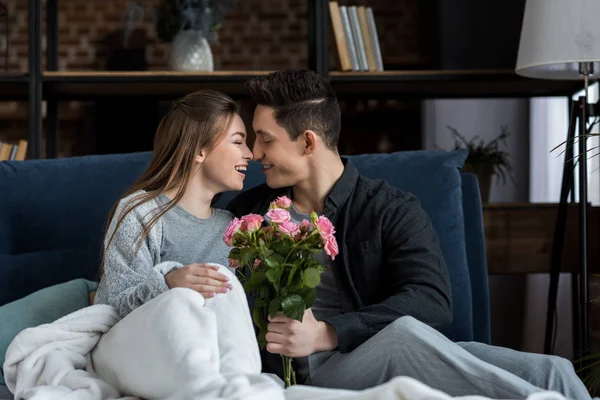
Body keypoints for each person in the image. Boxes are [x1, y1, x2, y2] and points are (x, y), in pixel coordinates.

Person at [226, 69, 591, 399]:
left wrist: (326, 332)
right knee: (402, 337)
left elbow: (431, 299)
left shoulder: (389, 207)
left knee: (552, 370)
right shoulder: (251, 212)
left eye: (265, 139)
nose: (255, 153)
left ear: (308, 142)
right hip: (308, 374)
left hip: (363, 348)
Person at [93, 89, 260, 377]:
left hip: (212, 363)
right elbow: (112, 307)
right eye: (238, 142)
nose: (251, 153)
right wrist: (169, 284)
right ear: (199, 150)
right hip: (144, 354)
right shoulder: (140, 212)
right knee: (185, 299)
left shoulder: (235, 228)